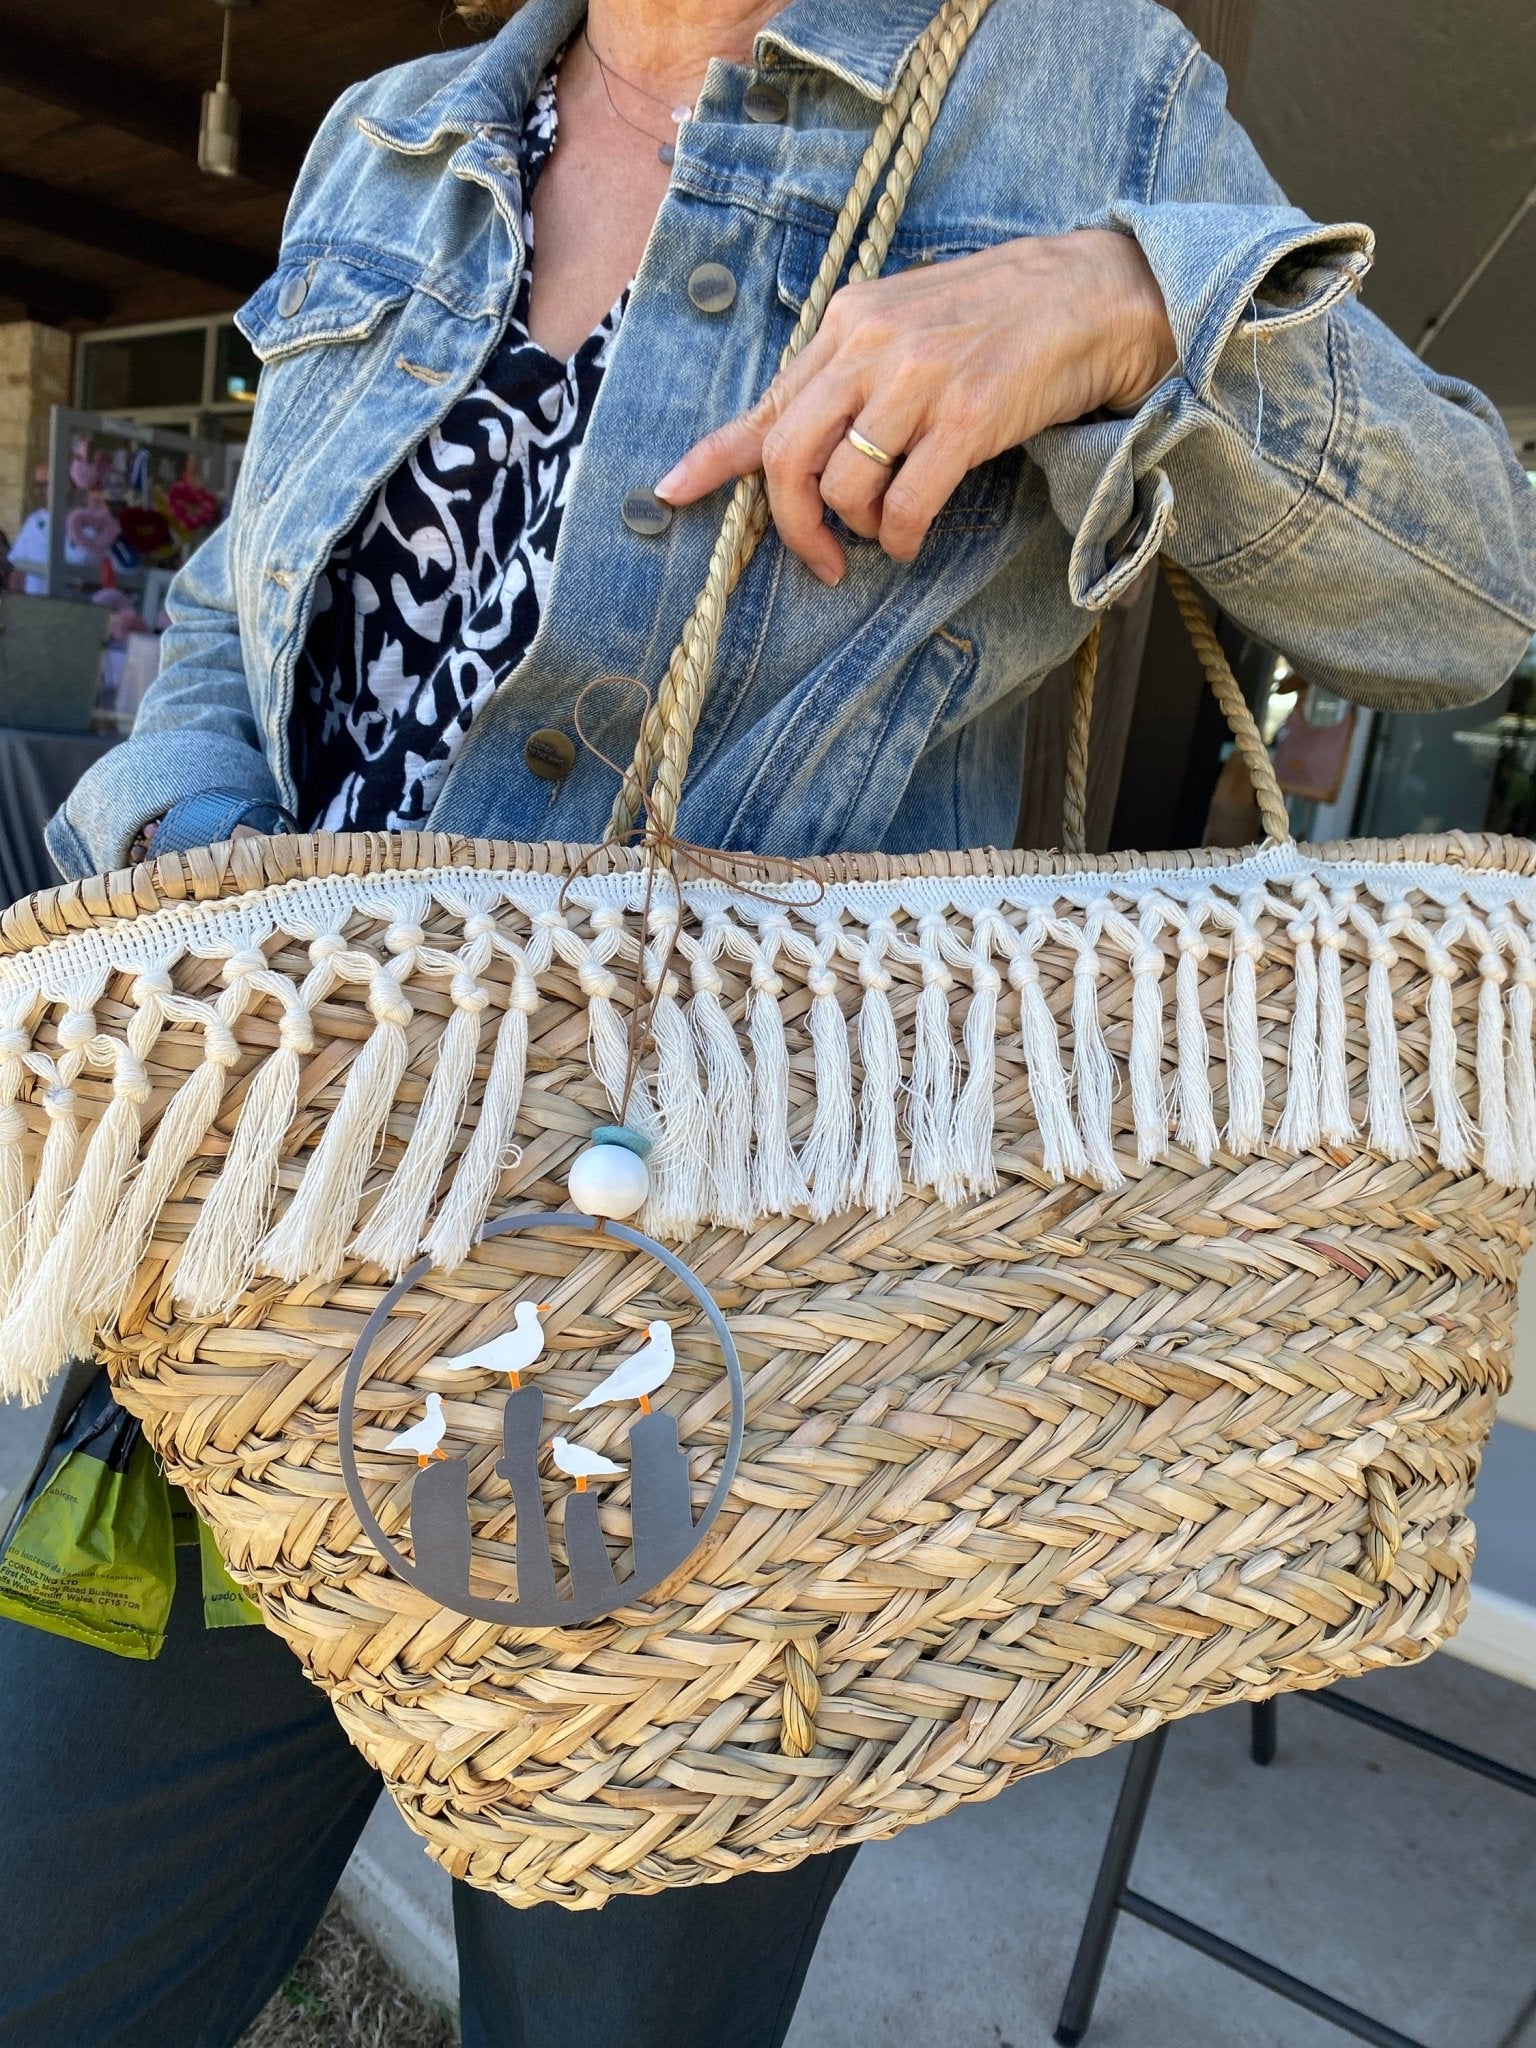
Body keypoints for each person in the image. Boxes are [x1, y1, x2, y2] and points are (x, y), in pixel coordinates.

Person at [8, 0, 1534, 2044]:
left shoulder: (1079, 86)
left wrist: (1124, 306)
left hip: (732, 1390)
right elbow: (236, 620)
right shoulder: (399, 133)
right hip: (261, 1289)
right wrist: (215, 910)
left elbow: (1469, 594)